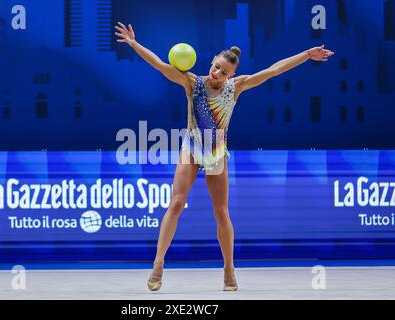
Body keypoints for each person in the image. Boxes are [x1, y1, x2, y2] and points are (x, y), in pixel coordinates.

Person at [114, 22, 334, 291]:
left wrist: (306, 55)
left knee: (221, 212)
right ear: (212, 63)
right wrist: (135, 44)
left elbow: (273, 70)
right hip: (192, 148)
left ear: (232, 74)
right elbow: (160, 64)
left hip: (216, 153)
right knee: (176, 203)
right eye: (215, 66)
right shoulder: (192, 82)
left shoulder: (236, 87)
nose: (217, 72)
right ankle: (158, 264)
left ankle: (229, 269)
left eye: (224, 71)